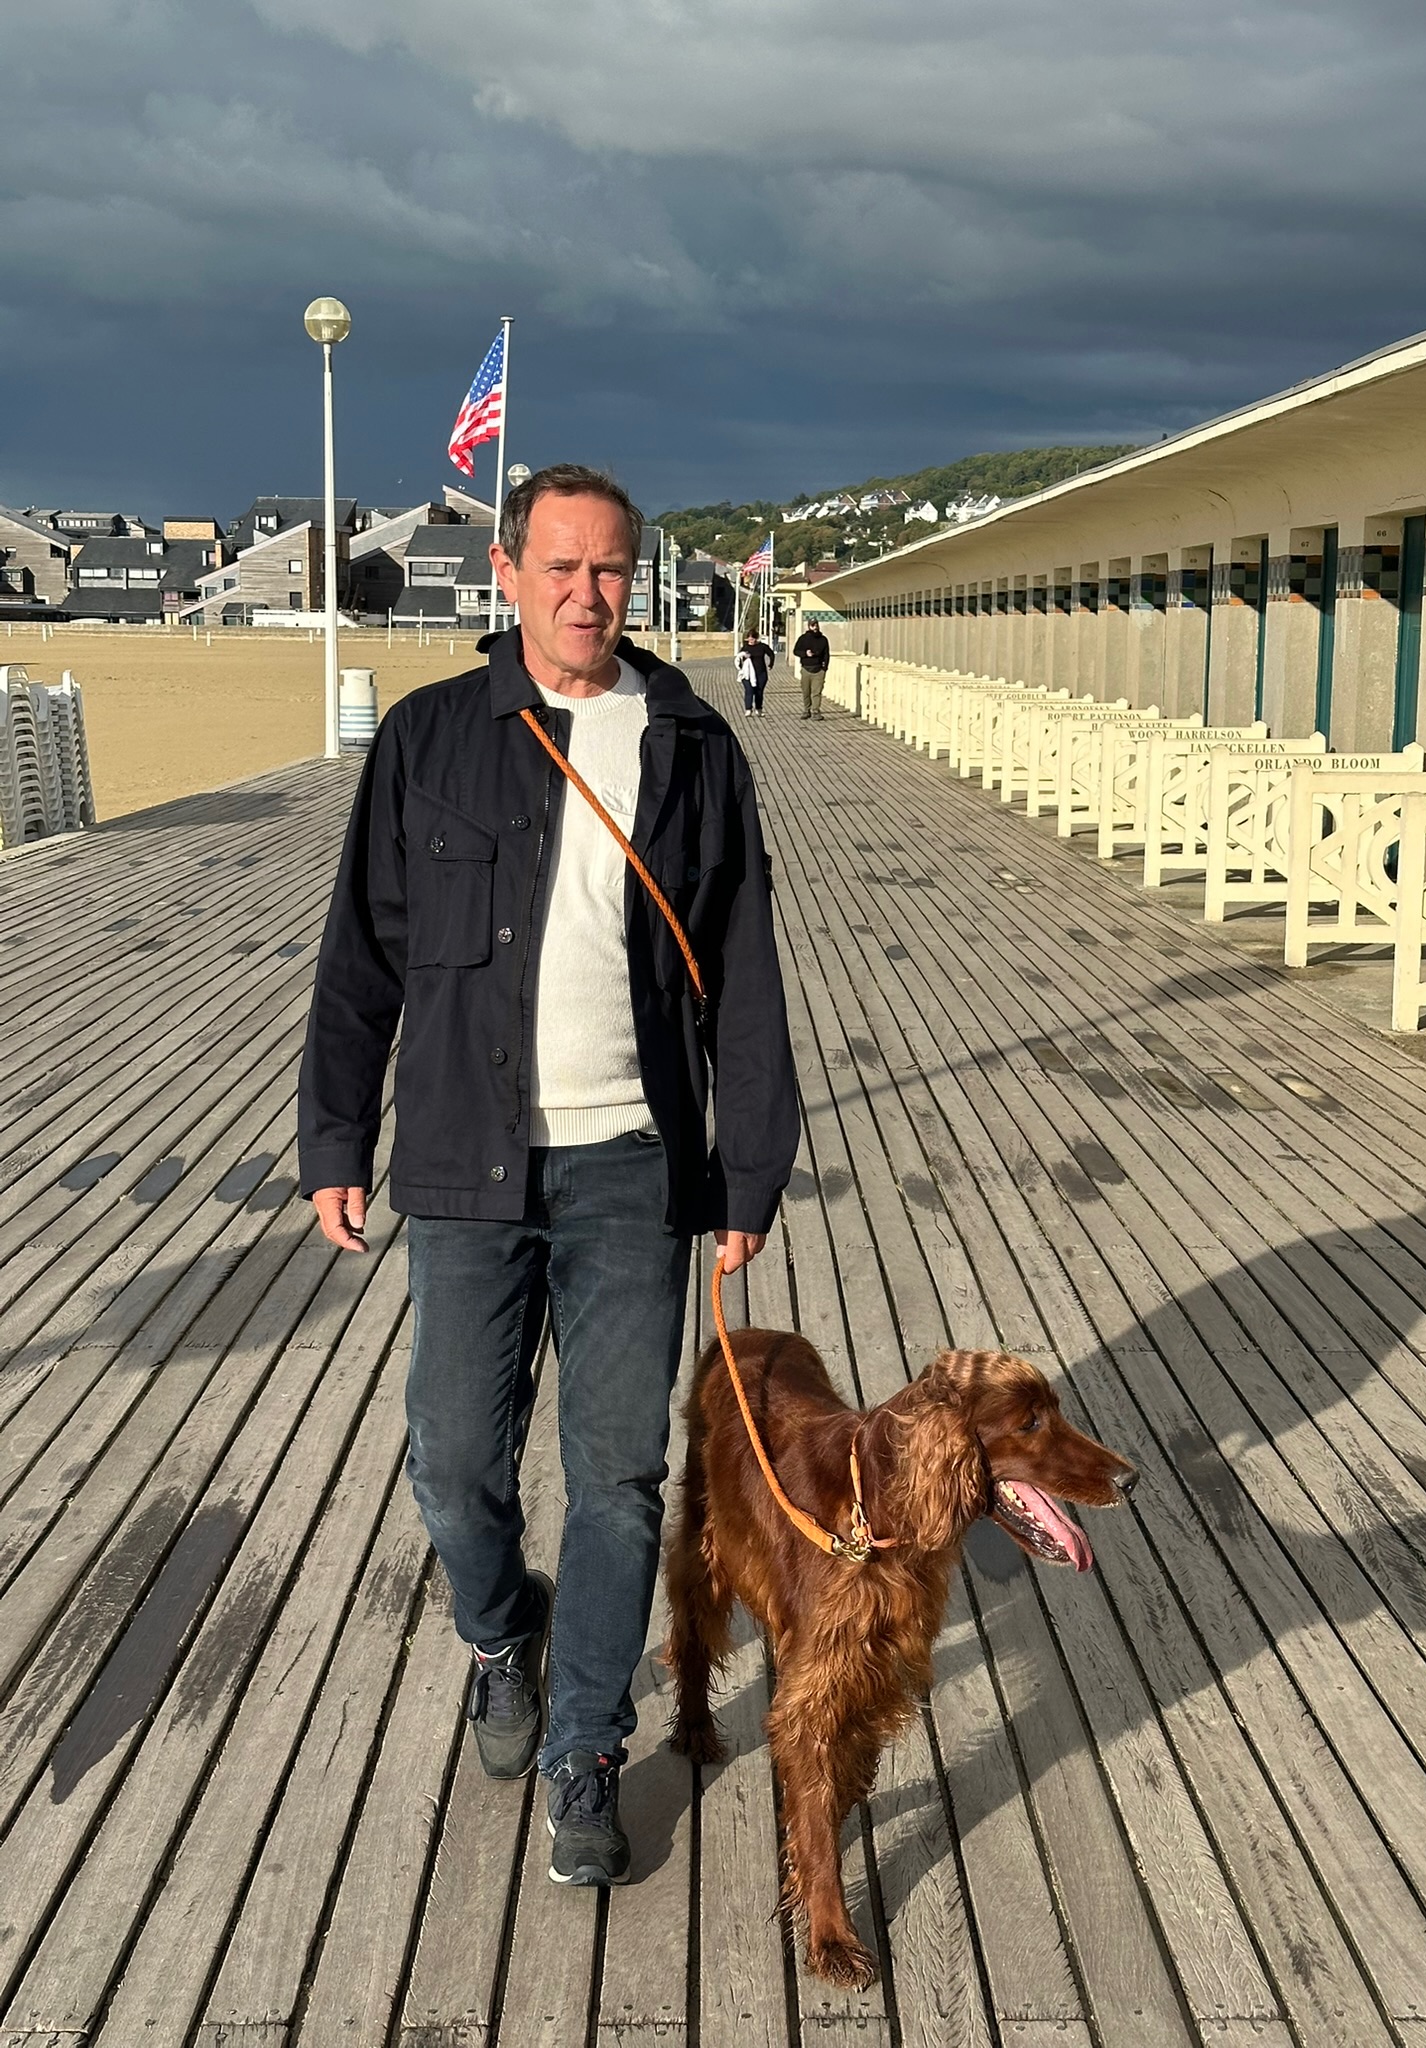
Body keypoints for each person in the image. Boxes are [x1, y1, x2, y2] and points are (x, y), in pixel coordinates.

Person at [299, 463, 799, 1890]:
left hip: (632, 1166)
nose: (589, 594)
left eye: (611, 569)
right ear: (507, 573)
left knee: (619, 1476)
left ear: (635, 579)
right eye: (562, 567)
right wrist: (337, 1136)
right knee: (454, 1460)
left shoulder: (692, 746)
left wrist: (748, 1172)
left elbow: (743, 970)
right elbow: (362, 954)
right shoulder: (430, 737)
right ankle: (499, 1633)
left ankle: (586, 1738)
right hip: (465, 1158)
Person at [792, 617, 831, 720]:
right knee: (806, 691)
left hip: (818, 670)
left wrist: (824, 668)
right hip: (806, 668)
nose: (815, 627)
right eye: (813, 625)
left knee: (816, 692)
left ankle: (816, 711)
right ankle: (806, 710)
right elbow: (796, 651)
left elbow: (826, 655)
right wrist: (805, 653)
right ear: (809, 626)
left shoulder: (823, 639)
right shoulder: (803, 638)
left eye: (816, 625)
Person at [736, 627, 773, 717]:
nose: (751, 640)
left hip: (761, 673)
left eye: (753, 638)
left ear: (756, 638)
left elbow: (771, 654)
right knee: (749, 690)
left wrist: (770, 664)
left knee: (759, 691)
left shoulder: (762, 647)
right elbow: (738, 659)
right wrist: (740, 668)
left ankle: (758, 709)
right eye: (749, 638)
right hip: (747, 674)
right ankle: (748, 709)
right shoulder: (745, 648)